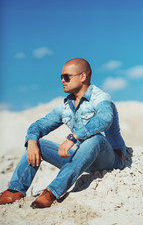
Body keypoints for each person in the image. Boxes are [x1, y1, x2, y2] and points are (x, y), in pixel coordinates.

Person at [0, 58, 126, 209]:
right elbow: (40, 124)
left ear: (83, 76)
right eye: (61, 77)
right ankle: (16, 190)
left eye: (66, 76)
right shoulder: (66, 106)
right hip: (83, 160)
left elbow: (104, 119)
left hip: (110, 158)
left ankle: (51, 192)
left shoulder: (100, 97)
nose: (62, 80)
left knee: (95, 139)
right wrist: (32, 141)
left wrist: (74, 137)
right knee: (37, 144)